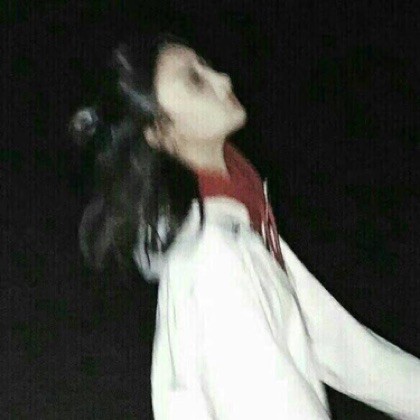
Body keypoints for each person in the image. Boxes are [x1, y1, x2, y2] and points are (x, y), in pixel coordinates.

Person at [69, 31, 420, 419]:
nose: (223, 79)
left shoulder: (238, 209)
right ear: (160, 132)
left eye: (206, 66)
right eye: (195, 80)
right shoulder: (215, 260)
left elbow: (331, 339)